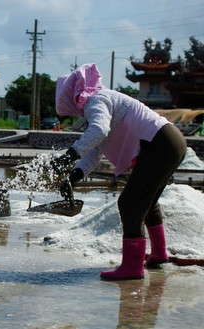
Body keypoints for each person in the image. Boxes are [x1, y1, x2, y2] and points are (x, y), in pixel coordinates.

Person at [51, 63, 186, 281]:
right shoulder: (101, 101)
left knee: (130, 203)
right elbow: (96, 148)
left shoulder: (97, 100)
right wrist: (73, 176)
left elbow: (99, 131)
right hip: (170, 142)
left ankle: (133, 267)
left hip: (161, 143)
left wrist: (68, 156)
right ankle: (159, 255)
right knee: (147, 202)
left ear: (72, 96)